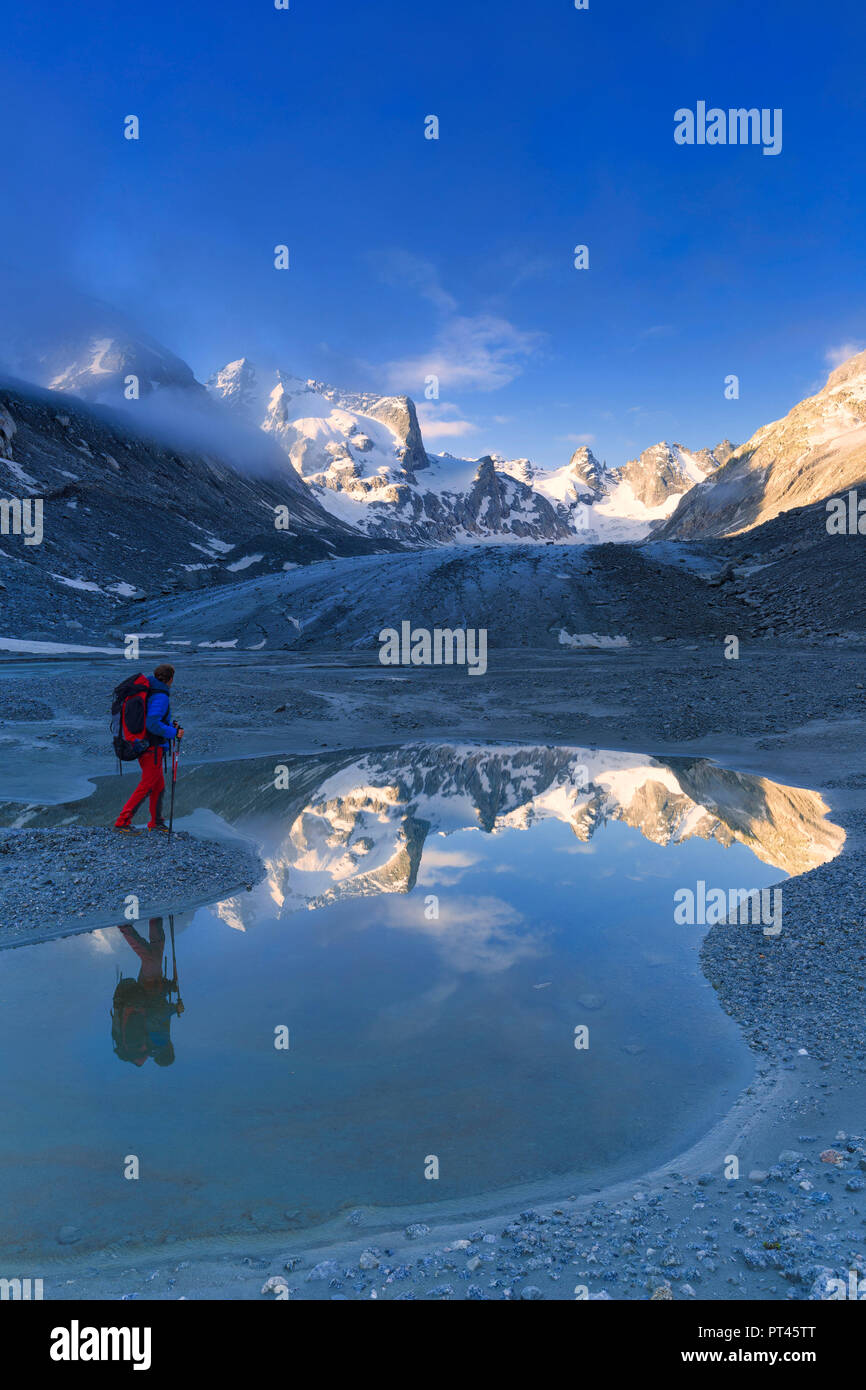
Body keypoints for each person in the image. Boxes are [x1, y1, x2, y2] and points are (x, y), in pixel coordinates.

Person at [114, 663, 183, 832]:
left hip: (144, 744)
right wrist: (173, 733)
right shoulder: (161, 696)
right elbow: (152, 723)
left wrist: (169, 726)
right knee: (146, 785)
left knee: (158, 786)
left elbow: (154, 719)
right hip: (152, 748)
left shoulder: (151, 691)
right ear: (171, 679)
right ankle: (122, 822)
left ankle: (156, 822)